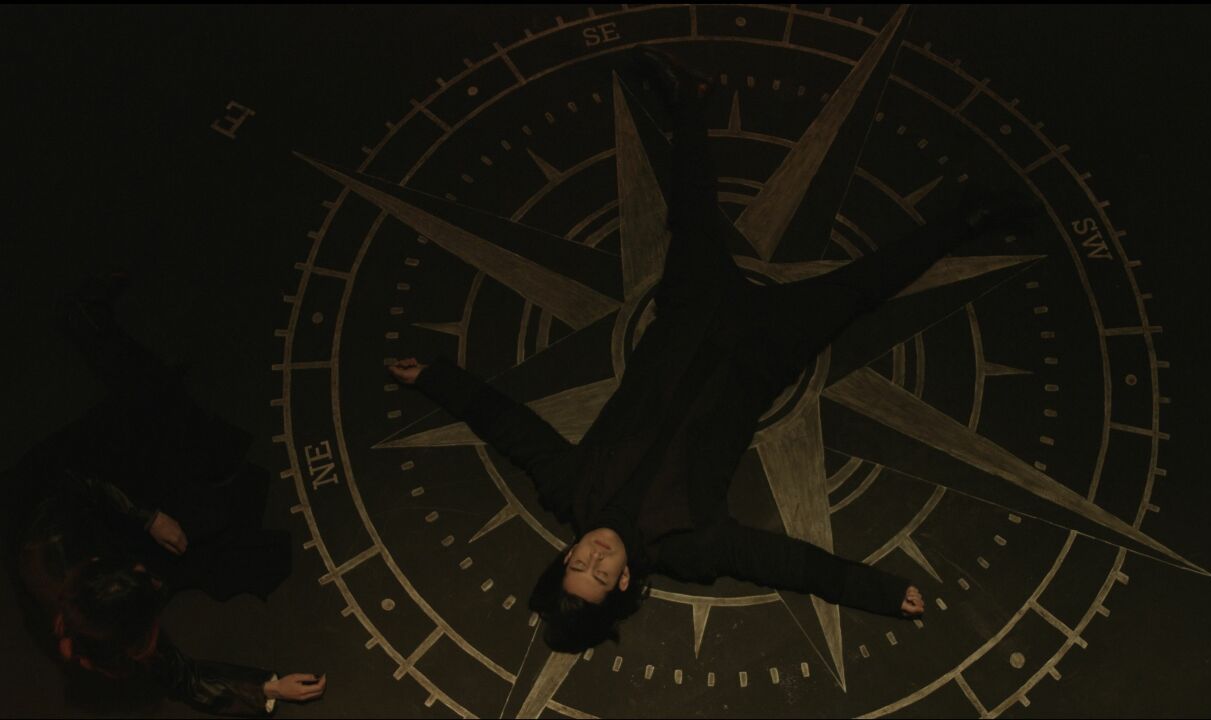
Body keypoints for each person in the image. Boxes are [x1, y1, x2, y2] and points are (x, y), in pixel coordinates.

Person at [388, 48, 1012, 652]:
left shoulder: (568, 488)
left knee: (689, 214)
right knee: (863, 288)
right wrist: (878, 592)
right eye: (601, 573)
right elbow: (784, 562)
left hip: (691, 312)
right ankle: (968, 220)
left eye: (578, 562)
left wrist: (436, 378)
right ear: (623, 583)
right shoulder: (692, 548)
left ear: (567, 552)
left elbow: (512, 428)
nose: (596, 555)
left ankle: (690, 98)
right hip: (762, 349)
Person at [2, 274, 325, 716]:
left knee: (154, 399)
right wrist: (268, 687)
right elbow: (180, 675)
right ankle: (86, 320)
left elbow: (77, 481)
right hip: (93, 519)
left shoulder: (52, 547)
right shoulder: (108, 635)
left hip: (65, 480)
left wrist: (147, 516)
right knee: (190, 463)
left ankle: (84, 320)